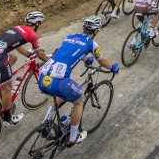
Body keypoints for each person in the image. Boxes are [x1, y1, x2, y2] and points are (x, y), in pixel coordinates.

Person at [38, 16, 119, 146]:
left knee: (61, 95)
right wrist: (113, 67)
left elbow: (70, 51)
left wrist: (85, 58)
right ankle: (72, 137)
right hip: (59, 82)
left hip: (43, 78)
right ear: (96, 31)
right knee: (79, 100)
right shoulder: (92, 43)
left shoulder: (70, 36)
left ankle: (45, 122)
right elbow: (102, 61)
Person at [0, 11, 51, 127]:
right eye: (40, 23)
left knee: (13, 58)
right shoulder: (32, 34)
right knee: (7, 88)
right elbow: (41, 55)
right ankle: (7, 117)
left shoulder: (17, 28)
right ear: (37, 23)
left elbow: (17, 45)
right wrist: (52, 62)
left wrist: (28, 54)